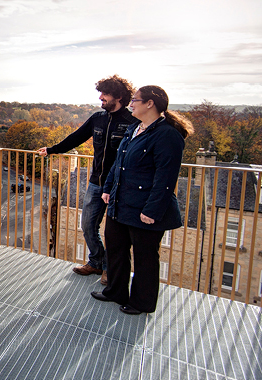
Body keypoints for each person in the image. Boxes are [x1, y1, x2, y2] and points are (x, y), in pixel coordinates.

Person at [91, 85, 194, 315]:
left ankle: (142, 303)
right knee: (115, 249)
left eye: (135, 100)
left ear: (150, 104)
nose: (131, 104)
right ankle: (115, 292)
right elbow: (119, 162)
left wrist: (152, 211)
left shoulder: (167, 135)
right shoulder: (136, 128)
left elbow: (165, 178)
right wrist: (107, 188)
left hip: (145, 209)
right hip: (120, 203)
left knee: (145, 258)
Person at [37, 75, 137, 285]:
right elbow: (76, 137)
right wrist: (52, 150)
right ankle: (96, 261)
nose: (101, 98)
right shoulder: (97, 118)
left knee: (114, 233)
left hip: (120, 187)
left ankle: (110, 270)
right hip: (96, 183)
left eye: (105, 94)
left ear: (118, 96)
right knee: (88, 225)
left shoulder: (133, 122)